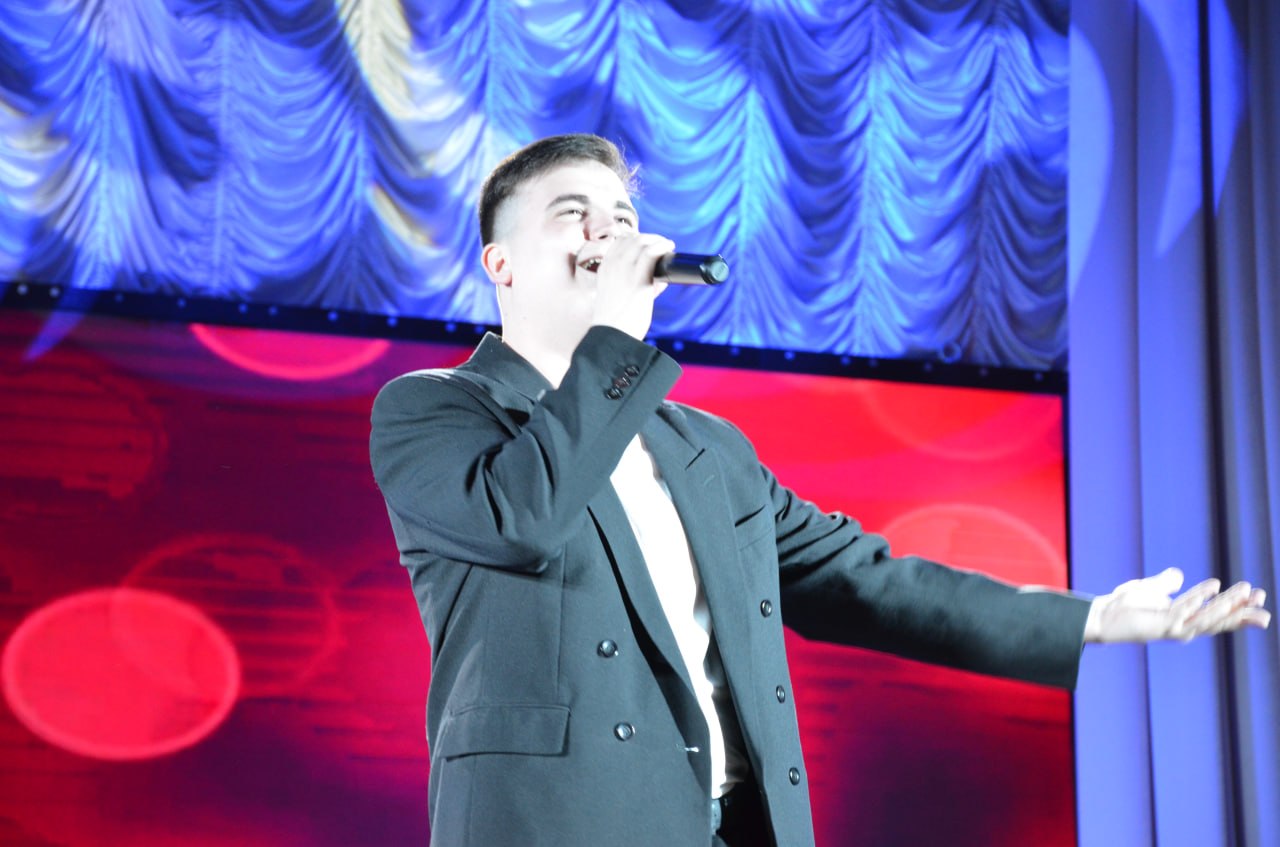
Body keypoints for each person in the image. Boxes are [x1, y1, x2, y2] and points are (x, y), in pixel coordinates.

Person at [369, 133, 1270, 847]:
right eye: (574, 215)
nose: (609, 233)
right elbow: (522, 518)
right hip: (554, 825)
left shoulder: (706, 448)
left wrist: (1091, 618)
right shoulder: (434, 409)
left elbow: (864, 581)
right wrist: (613, 341)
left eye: (623, 214)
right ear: (501, 264)